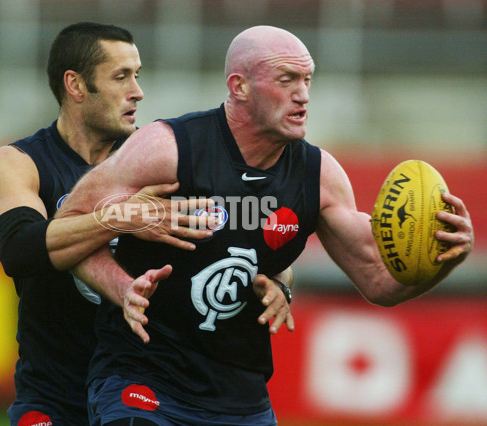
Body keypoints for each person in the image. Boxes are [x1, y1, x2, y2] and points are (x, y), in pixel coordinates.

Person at [55, 25, 474, 425]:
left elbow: (380, 282)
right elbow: (69, 224)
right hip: (143, 376)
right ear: (240, 87)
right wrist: (118, 286)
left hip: (241, 397)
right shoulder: (168, 148)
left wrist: (446, 255)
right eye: (287, 80)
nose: (303, 95)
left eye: (307, 80)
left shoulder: (319, 175)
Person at [0, 22, 294, 426]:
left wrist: (279, 283)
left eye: (138, 75)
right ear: (75, 85)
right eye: (121, 77)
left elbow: (250, 230)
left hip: (147, 390)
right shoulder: (20, 162)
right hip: (55, 397)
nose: (138, 91)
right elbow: (20, 250)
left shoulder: (157, 159)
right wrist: (121, 218)